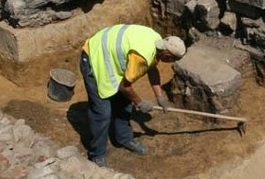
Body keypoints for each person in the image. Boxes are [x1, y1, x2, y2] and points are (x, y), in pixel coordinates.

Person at [80, 24, 186, 167]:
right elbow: (125, 87)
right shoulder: (142, 56)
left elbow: (152, 69)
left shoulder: (157, 41)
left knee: (124, 105)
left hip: (110, 56)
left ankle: (124, 138)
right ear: (166, 54)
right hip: (95, 57)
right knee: (102, 112)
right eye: (172, 59)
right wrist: (140, 102)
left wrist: (160, 96)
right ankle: (97, 155)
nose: (171, 62)